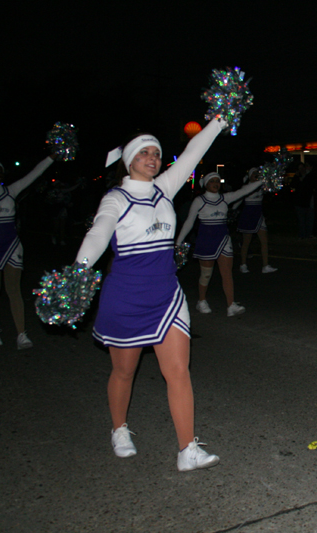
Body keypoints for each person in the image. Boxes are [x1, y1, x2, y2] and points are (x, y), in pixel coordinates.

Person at [75, 118, 226, 471]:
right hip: (126, 297)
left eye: (156, 153)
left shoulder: (164, 188)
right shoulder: (115, 198)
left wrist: (220, 119)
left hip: (166, 295)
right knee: (124, 372)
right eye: (143, 152)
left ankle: (187, 449)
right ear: (128, 160)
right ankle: (119, 428)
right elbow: (98, 236)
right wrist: (78, 272)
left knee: (178, 371)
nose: (152, 158)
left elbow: (194, 151)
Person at [176, 171, 264, 316]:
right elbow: (189, 221)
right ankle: (201, 301)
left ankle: (231, 305)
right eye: (212, 181)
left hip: (223, 239)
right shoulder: (200, 200)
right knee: (206, 274)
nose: (216, 183)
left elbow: (244, 191)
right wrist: (179, 241)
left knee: (227, 273)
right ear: (206, 184)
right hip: (206, 239)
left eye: (217, 181)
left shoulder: (225, 198)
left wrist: (262, 181)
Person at [0, 156, 55, 349]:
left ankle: (21, 334)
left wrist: (51, 157)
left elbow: (35, 173)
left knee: (13, 290)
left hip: (11, 245)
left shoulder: (11, 191)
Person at [236, 167, 277, 274]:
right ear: (249, 176)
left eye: (257, 173)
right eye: (254, 173)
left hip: (258, 214)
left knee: (264, 241)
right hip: (248, 214)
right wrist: (232, 210)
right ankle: (243, 264)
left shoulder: (262, 186)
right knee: (246, 242)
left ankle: (265, 265)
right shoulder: (246, 187)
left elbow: (273, 188)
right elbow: (238, 200)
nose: (256, 175)